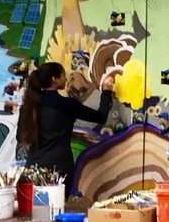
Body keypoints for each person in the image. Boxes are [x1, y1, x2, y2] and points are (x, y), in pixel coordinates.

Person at [18, 62, 116, 193]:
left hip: (32, 170)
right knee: (59, 204)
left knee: (34, 206)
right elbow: (100, 117)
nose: (66, 79)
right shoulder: (67, 104)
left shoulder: (28, 106)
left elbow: (20, 137)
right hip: (60, 170)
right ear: (55, 79)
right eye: (63, 75)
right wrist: (106, 92)